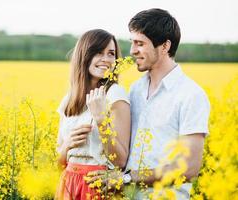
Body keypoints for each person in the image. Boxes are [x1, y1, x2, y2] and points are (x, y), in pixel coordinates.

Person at [86, 8, 210, 199]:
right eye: (132, 43)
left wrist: (127, 178)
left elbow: (190, 167)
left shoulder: (191, 95)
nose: (132, 51)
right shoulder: (134, 90)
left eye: (140, 43)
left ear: (165, 46)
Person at [55, 29, 131, 200]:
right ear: (84, 55)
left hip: (98, 185)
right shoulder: (68, 100)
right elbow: (58, 163)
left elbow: (120, 161)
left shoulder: (115, 95)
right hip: (68, 184)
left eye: (111, 54)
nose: (106, 59)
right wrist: (66, 146)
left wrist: (101, 119)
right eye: (98, 52)